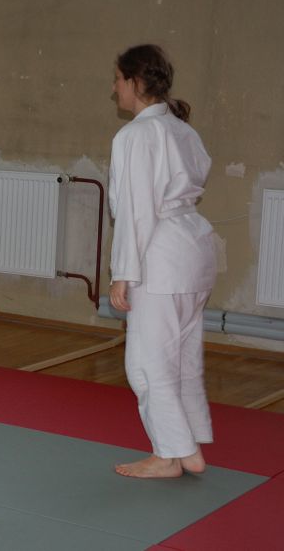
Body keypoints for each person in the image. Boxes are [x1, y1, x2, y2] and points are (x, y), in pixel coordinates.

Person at [108, 44, 217, 479]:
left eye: (118, 79)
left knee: (148, 363)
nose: (114, 87)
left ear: (135, 82)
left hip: (159, 255)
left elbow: (136, 210)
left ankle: (168, 455)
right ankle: (188, 448)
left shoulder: (136, 135)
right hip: (193, 250)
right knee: (182, 358)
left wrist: (123, 273)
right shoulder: (182, 129)